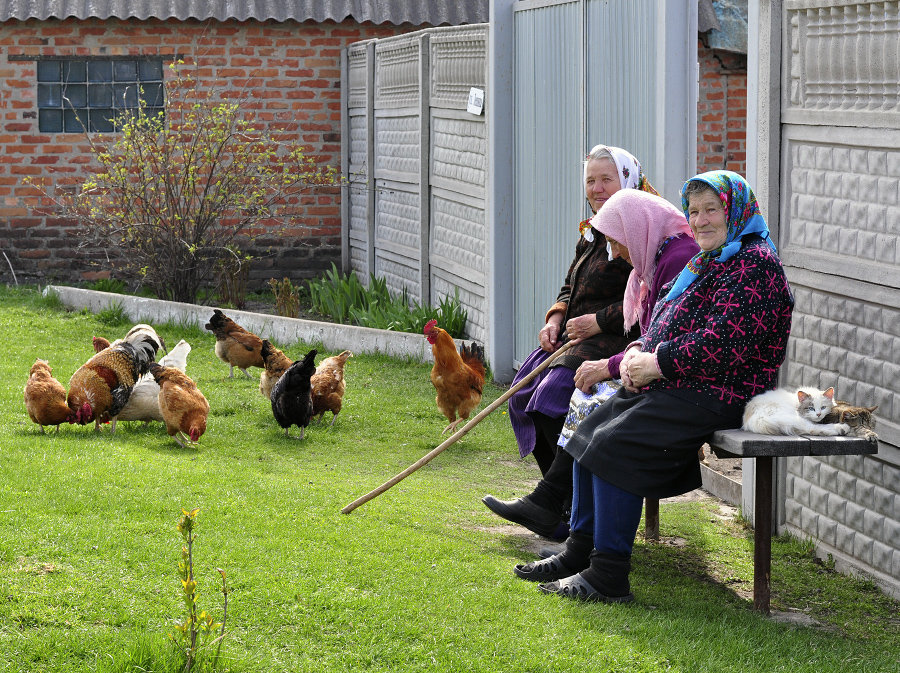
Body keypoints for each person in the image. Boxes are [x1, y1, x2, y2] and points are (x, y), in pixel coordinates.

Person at [515, 170, 794, 603]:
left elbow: (723, 341)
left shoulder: (756, 265)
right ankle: (579, 551)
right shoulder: (709, 260)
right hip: (685, 382)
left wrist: (656, 362)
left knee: (614, 444)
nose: (700, 220)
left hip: (724, 391)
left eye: (711, 210)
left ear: (735, 210)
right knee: (589, 431)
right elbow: (665, 321)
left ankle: (608, 575)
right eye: (694, 211)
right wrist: (638, 352)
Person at [484, 187, 700, 538]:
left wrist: (607, 366)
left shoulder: (677, 257)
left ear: (637, 228)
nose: (613, 253)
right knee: (560, 398)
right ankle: (561, 512)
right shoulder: (652, 253)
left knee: (590, 402)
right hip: (644, 363)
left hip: (661, 373)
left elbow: (661, 339)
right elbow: (651, 332)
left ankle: (573, 524)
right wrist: (558, 320)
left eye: (617, 242)